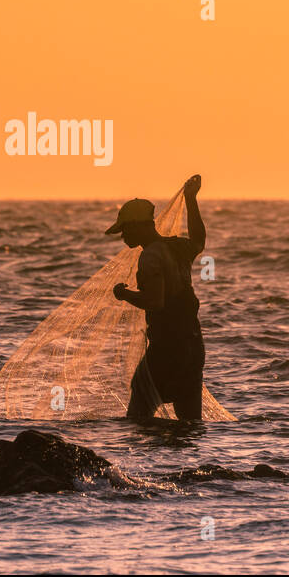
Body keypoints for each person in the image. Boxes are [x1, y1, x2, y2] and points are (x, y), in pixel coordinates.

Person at [107, 174, 207, 420]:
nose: (123, 237)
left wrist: (123, 294)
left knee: (138, 417)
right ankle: (195, 460)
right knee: (190, 425)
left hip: (167, 348)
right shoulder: (178, 248)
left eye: (125, 230)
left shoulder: (150, 257)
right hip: (193, 346)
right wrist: (191, 200)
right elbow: (199, 240)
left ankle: (148, 460)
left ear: (139, 226)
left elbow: (154, 302)